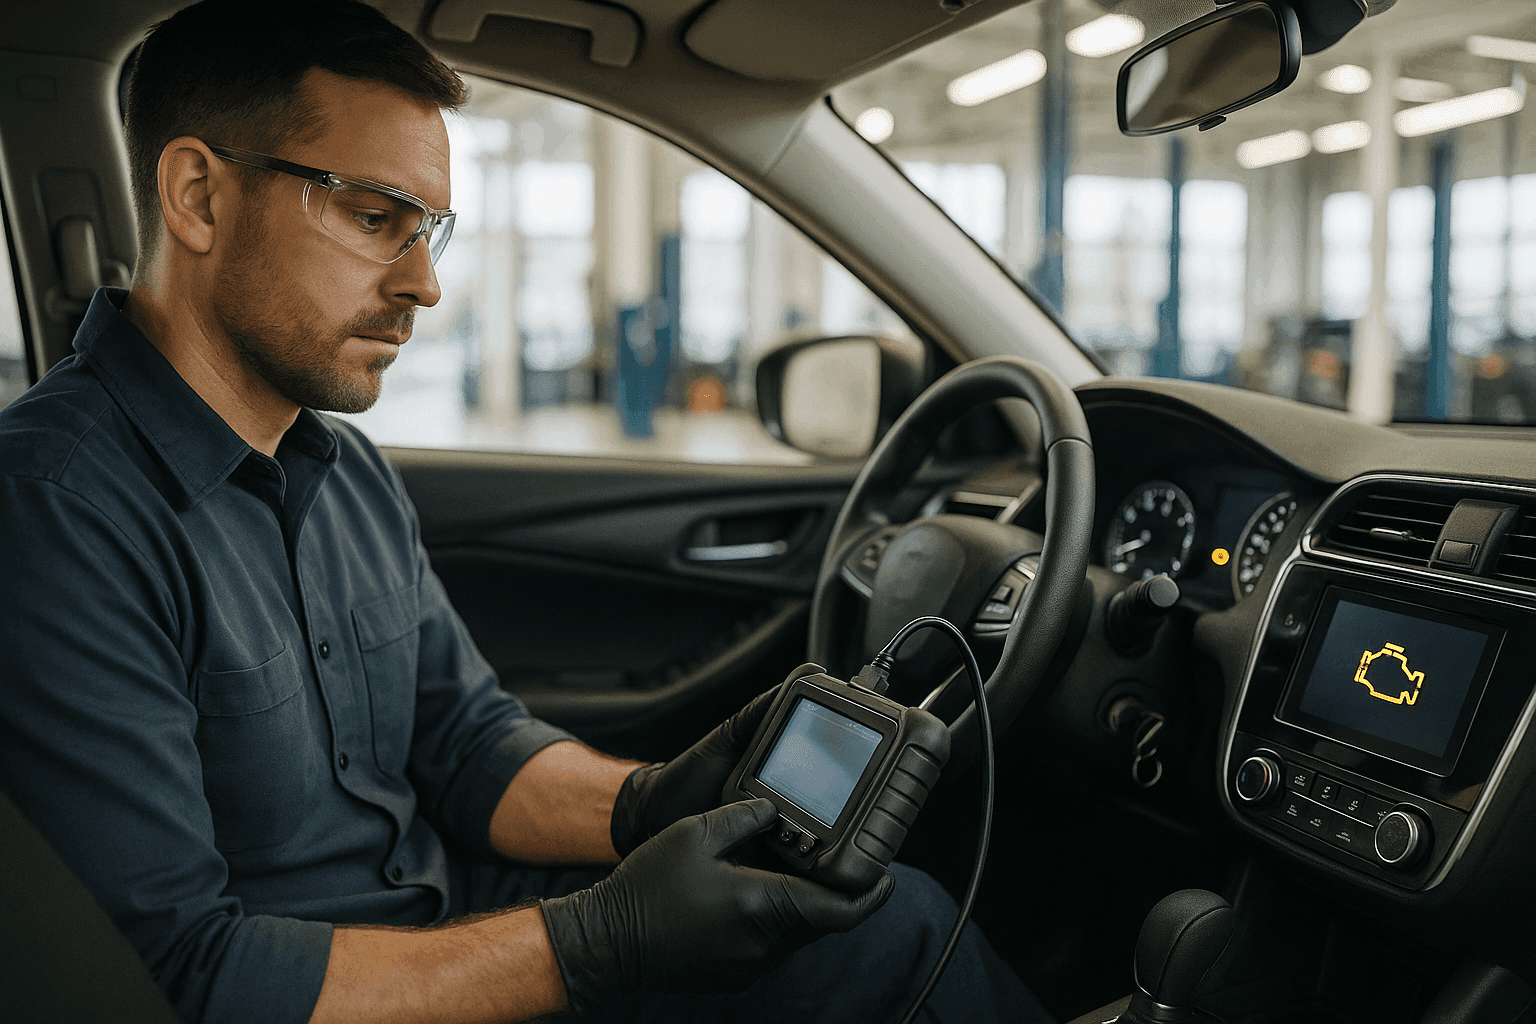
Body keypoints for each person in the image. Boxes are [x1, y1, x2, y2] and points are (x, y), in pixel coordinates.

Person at [0, 2, 1051, 1022]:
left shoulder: (345, 474)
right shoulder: (55, 513)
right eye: (375, 219)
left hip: (447, 930)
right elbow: (176, 979)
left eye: (429, 232)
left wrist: (647, 804)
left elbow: (463, 742)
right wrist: (601, 938)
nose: (424, 285)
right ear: (197, 197)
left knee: (871, 918)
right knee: (893, 936)